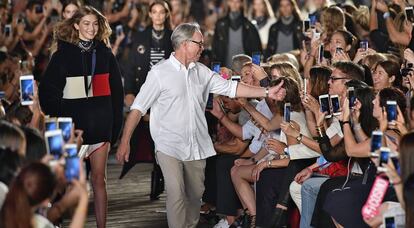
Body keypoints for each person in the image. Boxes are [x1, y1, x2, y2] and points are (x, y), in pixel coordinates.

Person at [116, 22, 285, 228]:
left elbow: (232, 87)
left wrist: (267, 92)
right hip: (169, 145)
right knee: (176, 193)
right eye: (199, 43)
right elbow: (138, 108)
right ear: (185, 44)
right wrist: (125, 141)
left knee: (195, 197)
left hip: (197, 146)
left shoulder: (202, 72)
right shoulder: (159, 73)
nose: (202, 47)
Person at [38, 6, 124, 228]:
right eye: (86, 23)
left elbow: (117, 95)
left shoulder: (106, 55)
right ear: (76, 25)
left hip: (100, 128)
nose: (91, 28)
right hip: (73, 129)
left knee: (99, 180)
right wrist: (65, 113)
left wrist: (114, 130)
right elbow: (47, 92)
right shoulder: (62, 55)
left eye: (95, 24)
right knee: (70, 183)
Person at [123, 0, 174, 201]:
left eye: (162, 12)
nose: (158, 16)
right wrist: (128, 91)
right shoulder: (140, 37)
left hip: (168, 92)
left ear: (166, 15)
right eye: (155, 12)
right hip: (145, 90)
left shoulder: (173, 37)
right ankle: (157, 171)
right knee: (150, 133)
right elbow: (130, 66)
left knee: (166, 133)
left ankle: (160, 173)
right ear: (150, 15)